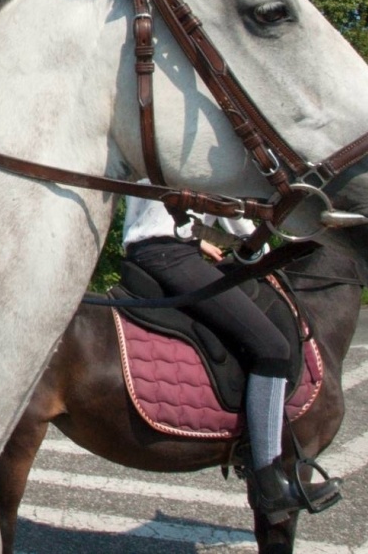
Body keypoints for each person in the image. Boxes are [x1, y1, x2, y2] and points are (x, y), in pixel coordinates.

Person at [121, 195, 342, 523]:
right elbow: (233, 212)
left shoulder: (147, 149)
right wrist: (268, 255)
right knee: (272, 348)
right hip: (171, 253)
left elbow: (158, 213)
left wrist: (199, 241)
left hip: (151, 249)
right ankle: (270, 482)